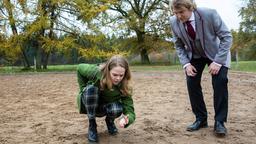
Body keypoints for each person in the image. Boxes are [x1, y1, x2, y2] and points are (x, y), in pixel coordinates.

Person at [169, 0, 232, 136]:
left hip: (216, 53)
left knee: (220, 81)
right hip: (195, 55)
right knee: (191, 81)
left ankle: (219, 122)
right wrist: (186, 64)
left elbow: (227, 37)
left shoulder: (209, 14)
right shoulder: (173, 21)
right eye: (176, 13)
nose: (179, 16)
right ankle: (201, 118)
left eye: (181, 12)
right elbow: (178, 45)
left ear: (191, 8)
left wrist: (218, 61)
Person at [76, 55, 136, 142]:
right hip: (90, 104)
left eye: (121, 75)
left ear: (125, 73)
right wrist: (82, 89)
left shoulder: (125, 86)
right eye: (115, 74)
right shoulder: (96, 72)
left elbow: (130, 110)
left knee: (117, 108)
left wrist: (127, 119)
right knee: (90, 89)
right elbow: (79, 68)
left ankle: (110, 121)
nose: (118, 78)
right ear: (108, 71)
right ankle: (92, 125)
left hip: (107, 107)